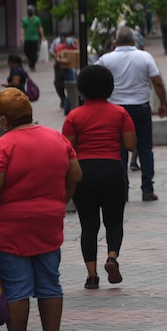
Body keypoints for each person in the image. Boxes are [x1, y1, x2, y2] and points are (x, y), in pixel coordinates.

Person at [0, 88, 82, 331]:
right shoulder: (56, 138)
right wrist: (57, 203)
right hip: (48, 225)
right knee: (50, 284)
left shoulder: (2, 145)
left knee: (17, 288)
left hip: (9, 230)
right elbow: (75, 175)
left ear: (4, 120)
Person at [61, 65, 136, 290]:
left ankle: (92, 276)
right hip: (112, 170)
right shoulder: (120, 113)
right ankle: (112, 257)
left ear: (82, 88)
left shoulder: (74, 116)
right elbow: (130, 145)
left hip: (84, 172)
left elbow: (66, 149)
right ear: (110, 87)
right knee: (114, 221)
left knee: (88, 226)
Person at [96, 27, 167, 201]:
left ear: (116, 41)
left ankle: (123, 190)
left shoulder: (106, 59)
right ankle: (147, 189)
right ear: (134, 41)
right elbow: (157, 81)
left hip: (116, 109)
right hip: (141, 107)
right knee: (145, 148)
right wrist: (163, 103)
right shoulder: (145, 57)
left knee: (119, 149)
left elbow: (94, 75)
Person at [49, 32, 79, 115]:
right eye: (67, 37)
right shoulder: (60, 46)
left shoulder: (74, 46)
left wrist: (77, 43)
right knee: (59, 85)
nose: (69, 39)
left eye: (70, 37)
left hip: (71, 70)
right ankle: (65, 104)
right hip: (61, 69)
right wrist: (63, 61)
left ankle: (68, 106)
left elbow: (79, 54)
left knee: (72, 88)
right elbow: (57, 57)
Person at [19, 5, 46, 72]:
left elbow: (40, 28)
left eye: (31, 11)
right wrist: (22, 36)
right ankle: (32, 60)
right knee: (26, 51)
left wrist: (42, 36)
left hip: (35, 38)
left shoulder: (37, 19)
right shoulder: (24, 20)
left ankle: (32, 65)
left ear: (33, 11)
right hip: (27, 38)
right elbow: (22, 28)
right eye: (29, 11)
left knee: (33, 52)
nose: (30, 12)